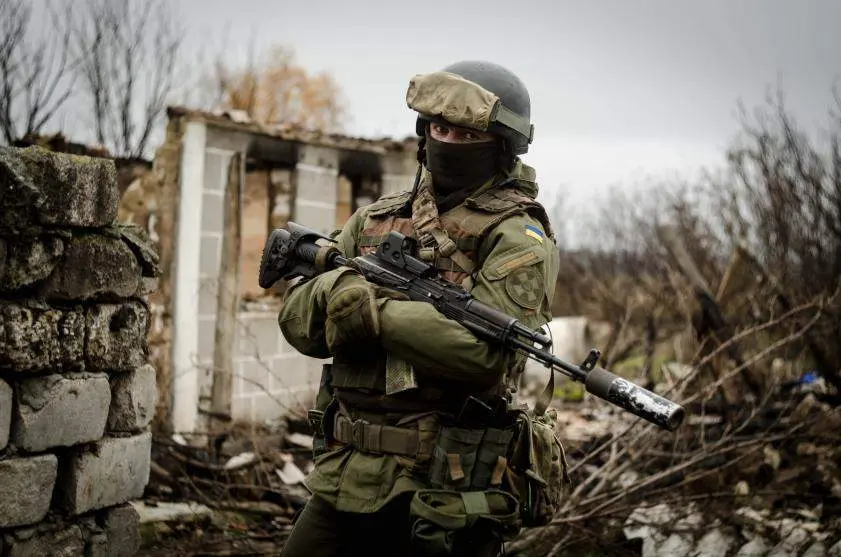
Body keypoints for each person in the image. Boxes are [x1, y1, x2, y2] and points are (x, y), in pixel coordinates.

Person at [277, 60, 562, 557]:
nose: (448, 142)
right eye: (439, 128)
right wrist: (332, 292)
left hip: (446, 488)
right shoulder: (375, 220)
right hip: (347, 473)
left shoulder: (518, 235)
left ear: (501, 144)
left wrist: (375, 314)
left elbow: (484, 356)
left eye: (466, 134)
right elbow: (297, 323)